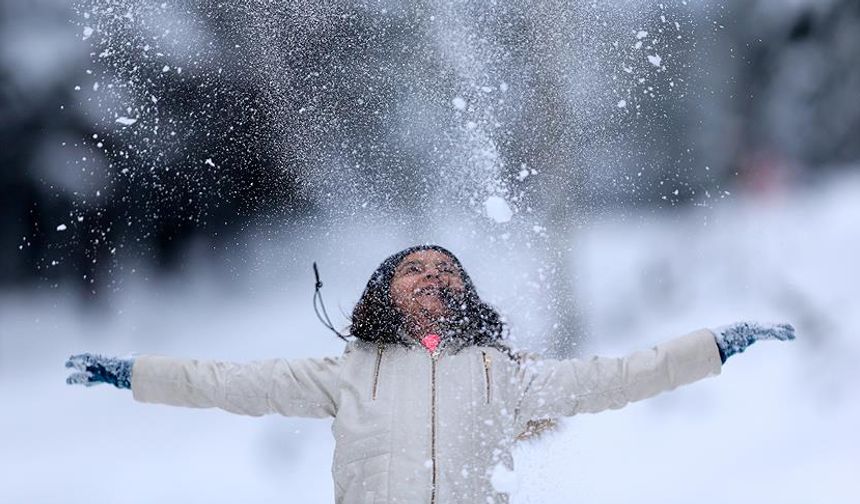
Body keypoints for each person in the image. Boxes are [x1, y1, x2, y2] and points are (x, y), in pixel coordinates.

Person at [66, 244, 795, 504]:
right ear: (384, 290)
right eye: (413, 268)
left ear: (465, 294)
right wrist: (134, 373)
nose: (431, 276)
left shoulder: (503, 376)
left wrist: (715, 346)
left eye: (446, 270)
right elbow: (226, 381)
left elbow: (618, 376)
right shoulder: (347, 372)